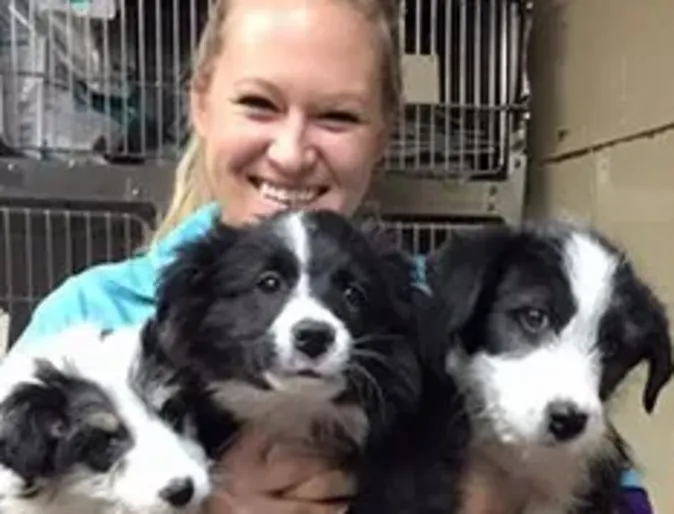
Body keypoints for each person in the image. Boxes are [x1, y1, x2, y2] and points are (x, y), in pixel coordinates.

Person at [10, 0, 655, 513]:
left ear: (386, 132)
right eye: (258, 104)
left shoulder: (448, 312)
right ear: (199, 101)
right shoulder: (92, 318)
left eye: (337, 116)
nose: (291, 152)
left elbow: (602, 482)